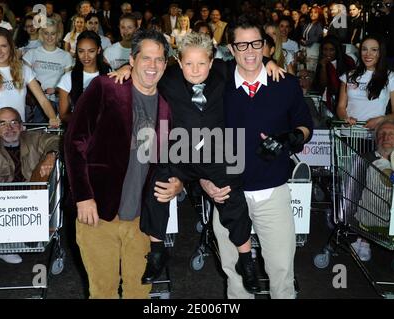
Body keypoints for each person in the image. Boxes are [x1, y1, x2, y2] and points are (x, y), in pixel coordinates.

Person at [110, 31, 285, 293]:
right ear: (178, 63)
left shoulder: (223, 73)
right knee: (157, 183)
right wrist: (126, 66)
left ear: (212, 62)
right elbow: (145, 70)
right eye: (188, 63)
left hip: (216, 153)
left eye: (201, 63)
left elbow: (250, 63)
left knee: (231, 196)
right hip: (180, 152)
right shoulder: (168, 78)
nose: (195, 69)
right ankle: (157, 251)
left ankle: (246, 260)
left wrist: (268, 63)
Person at [200, 16, 313, 299]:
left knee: (282, 273)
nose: (250, 51)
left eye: (256, 43)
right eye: (242, 45)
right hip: (227, 194)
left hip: (272, 193)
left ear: (265, 45)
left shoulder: (284, 83)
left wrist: (290, 138)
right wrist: (203, 179)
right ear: (230, 48)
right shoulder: (217, 85)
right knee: (236, 277)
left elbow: (305, 125)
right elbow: (198, 136)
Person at [63, 29, 181, 299]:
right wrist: (83, 197)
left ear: (166, 64)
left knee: (139, 292)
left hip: (142, 220)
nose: (152, 65)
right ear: (132, 59)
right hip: (98, 213)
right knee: (102, 292)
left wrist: (178, 183)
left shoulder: (167, 105)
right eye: (146, 58)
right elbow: (74, 143)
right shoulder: (106, 88)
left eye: (159, 59)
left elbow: (172, 159)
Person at [0, 107, 59, 272]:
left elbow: (56, 140)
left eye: (14, 122)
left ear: (22, 126)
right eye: (2, 124)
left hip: (30, 201)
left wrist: (51, 155)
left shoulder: (34, 138)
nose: (9, 128)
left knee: (46, 165)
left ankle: (31, 230)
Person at [0, 27, 59, 127]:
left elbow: (43, 100)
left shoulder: (24, 70)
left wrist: (53, 117)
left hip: (18, 132)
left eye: (3, 46)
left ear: (10, 46)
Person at [352, 119, 394, 261]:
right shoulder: (364, 159)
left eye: (391, 134)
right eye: (382, 134)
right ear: (376, 139)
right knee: (376, 167)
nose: (385, 137)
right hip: (374, 211)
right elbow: (353, 190)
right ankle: (390, 175)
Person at [337, 35, 394, 129]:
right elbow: (341, 107)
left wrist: (380, 120)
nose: (368, 54)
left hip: (375, 135)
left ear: (381, 53)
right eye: (364, 49)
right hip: (349, 134)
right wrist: (345, 118)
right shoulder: (348, 76)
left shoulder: (393, 77)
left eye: (374, 50)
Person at [58, 31, 109, 123]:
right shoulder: (68, 78)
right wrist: (86, 121)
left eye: (91, 51)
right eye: (81, 51)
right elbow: (63, 115)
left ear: (98, 50)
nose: (86, 56)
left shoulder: (109, 74)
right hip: (79, 134)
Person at [314, 35, 355, 116]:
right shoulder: (322, 62)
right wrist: (323, 67)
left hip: (345, 100)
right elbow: (323, 84)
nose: (328, 53)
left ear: (337, 50)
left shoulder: (348, 61)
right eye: (325, 49)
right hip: (328, 100)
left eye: (331, 50)